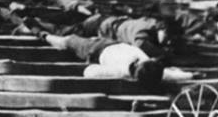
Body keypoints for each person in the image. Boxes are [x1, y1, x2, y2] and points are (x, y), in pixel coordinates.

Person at [38, 31, 193, 89]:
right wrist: (189, 75)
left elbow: (89, 72)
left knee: (68, 41)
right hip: (112, 43)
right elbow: (174, 75)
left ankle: (43, 35)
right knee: (70, 37)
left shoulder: (120, 71)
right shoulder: (150, 67)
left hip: (97, 49)